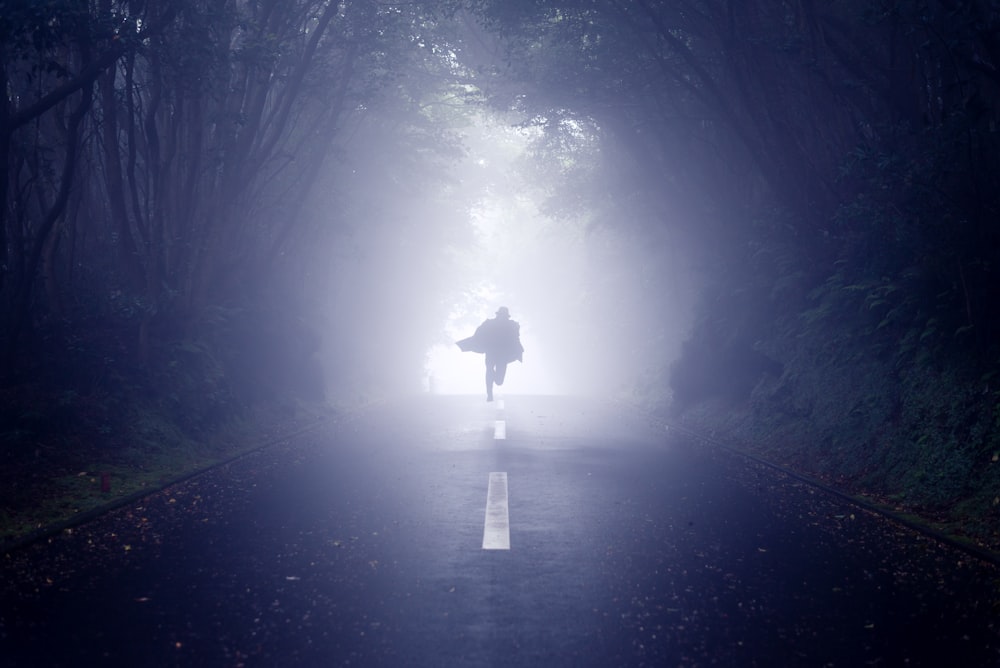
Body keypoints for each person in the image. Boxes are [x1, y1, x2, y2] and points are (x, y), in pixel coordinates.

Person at [456, 307, 524, 401]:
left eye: (504, 316)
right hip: (491, 353)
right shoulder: (489, 324)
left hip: (503, 355)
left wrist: (517, 349)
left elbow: (516, 339)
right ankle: (489, 394)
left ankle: (493, 378)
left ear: (506, 317)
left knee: (499, 381)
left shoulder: (511, 326)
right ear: (498, 315)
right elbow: (478, 334)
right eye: (501, 315)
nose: (502, 317)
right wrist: (475, 342)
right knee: (489, 370)